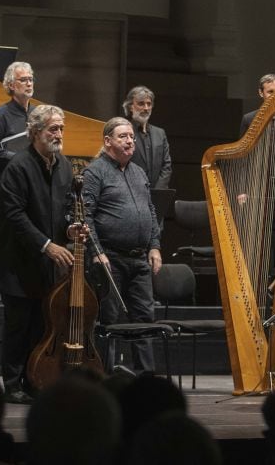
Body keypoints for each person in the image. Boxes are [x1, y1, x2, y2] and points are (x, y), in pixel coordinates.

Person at [0, 105, 76, 404]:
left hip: (46, 265)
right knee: (18, 327)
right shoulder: (18, 166)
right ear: (35, 132)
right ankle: (13, 385)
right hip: (18, 263)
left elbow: (65, 210)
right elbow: (14, 216)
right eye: (53, 128)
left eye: (61, 128)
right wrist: (46, 245)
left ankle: (33, 380)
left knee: (41, 327)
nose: (59, 134)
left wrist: (70, 231)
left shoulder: (64, 165)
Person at [83, 116, 162, 374]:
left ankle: (146, 378)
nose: (129, 141)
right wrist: (97, 252)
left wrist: (154, 246)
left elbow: (150, 212)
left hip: (139, 260)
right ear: (108, 141)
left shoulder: (139, 172)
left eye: (131, 137)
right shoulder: (94, 172)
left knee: (145, 321)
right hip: (110, 259)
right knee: (108, 321)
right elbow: (84, 215)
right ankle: (102, 378)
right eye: (123, 137)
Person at [0, 61, 36, 265]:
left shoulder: (37, 115)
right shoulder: (1, 114)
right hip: (4, 186)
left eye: (31, 79)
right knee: (5, 239)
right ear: (11, 85)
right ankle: (0, 290)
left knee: (28, 237)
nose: (29, 83)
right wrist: (14, 156)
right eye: (23, 80)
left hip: (30, 186)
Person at [122, 86, 172, 189]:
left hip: (157, 195)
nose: (146, 108)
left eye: (149, 104)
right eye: (141, 103)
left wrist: (158, 192)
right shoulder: (123, 132)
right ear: (131, 106)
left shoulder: (160, 133)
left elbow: (166, 166)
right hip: (131, 193)